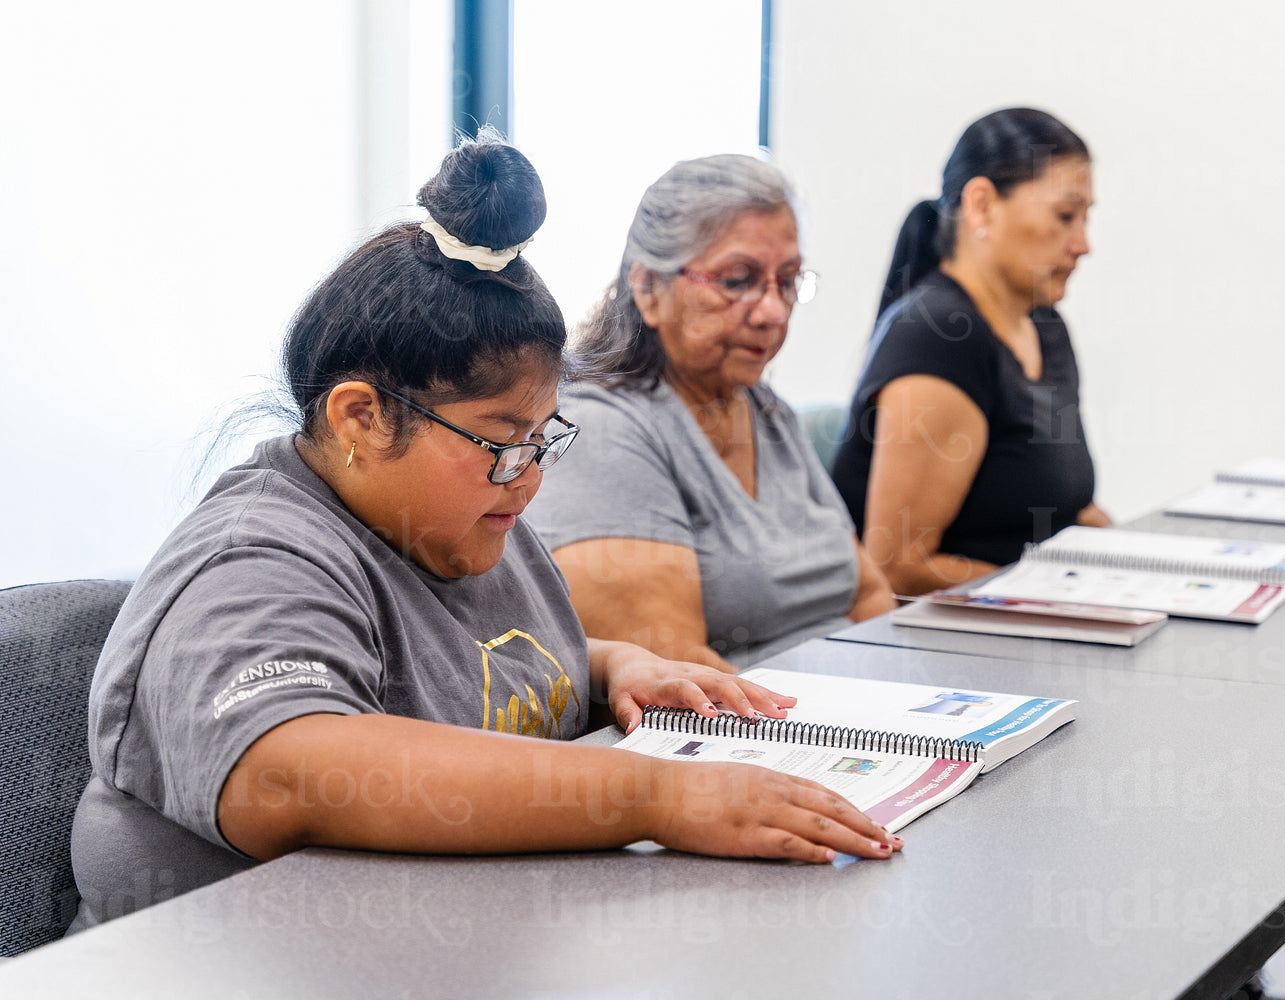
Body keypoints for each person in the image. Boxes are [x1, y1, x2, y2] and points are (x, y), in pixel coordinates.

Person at [69, 133, 900, 930]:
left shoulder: (463, 516)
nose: (530, 475)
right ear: (360, 417)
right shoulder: (252, 557)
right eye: (504, 442)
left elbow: (486, 660)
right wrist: (658, 797)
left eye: (543, 439)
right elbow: (290, 771)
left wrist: (616, 666)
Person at [526, 155, 895, 670]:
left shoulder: (766, 411)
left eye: (787, 281)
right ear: (650, 288)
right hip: (753, 735)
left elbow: (870, 597)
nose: (772, 311)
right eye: (738, 280)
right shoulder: (604, 430)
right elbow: (677, 677)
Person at [831, 108, 1111, 597]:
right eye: (1065, 216)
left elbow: (1072, 507)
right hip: (943, 647)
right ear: (981, 206)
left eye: (1086, 218)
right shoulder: (939, 337)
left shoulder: (1044, 325)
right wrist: (1067, 595)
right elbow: (897, 569)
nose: (1083, 244)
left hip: (1033, 628)